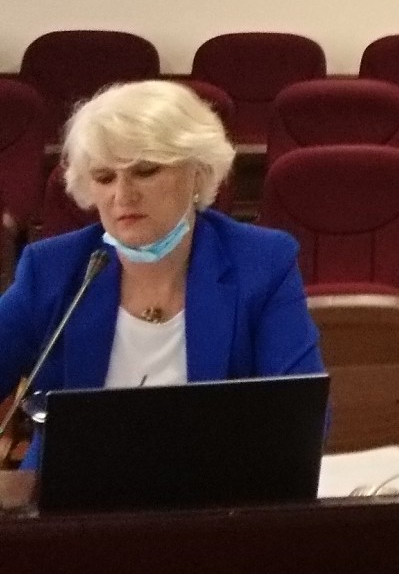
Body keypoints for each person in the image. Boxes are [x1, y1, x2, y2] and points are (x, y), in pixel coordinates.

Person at [0, 80, 322, 433]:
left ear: (197, 173)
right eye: (105, 178)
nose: (123, 195)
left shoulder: (262, 263)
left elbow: (301, 419)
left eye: (145, 171)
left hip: (217, 469)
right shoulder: (51, 269)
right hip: (70, 470)